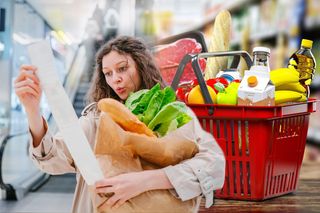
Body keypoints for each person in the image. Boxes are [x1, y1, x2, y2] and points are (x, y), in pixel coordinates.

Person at [14, 36, 225, 212]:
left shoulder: (174, 112)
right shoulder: (96, 119)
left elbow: (213, 165)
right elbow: (52, 157)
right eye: (108, 73)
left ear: (141, 66)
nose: (115, 79)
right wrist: (33, 110)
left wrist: (147, 180)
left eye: (122, 68)